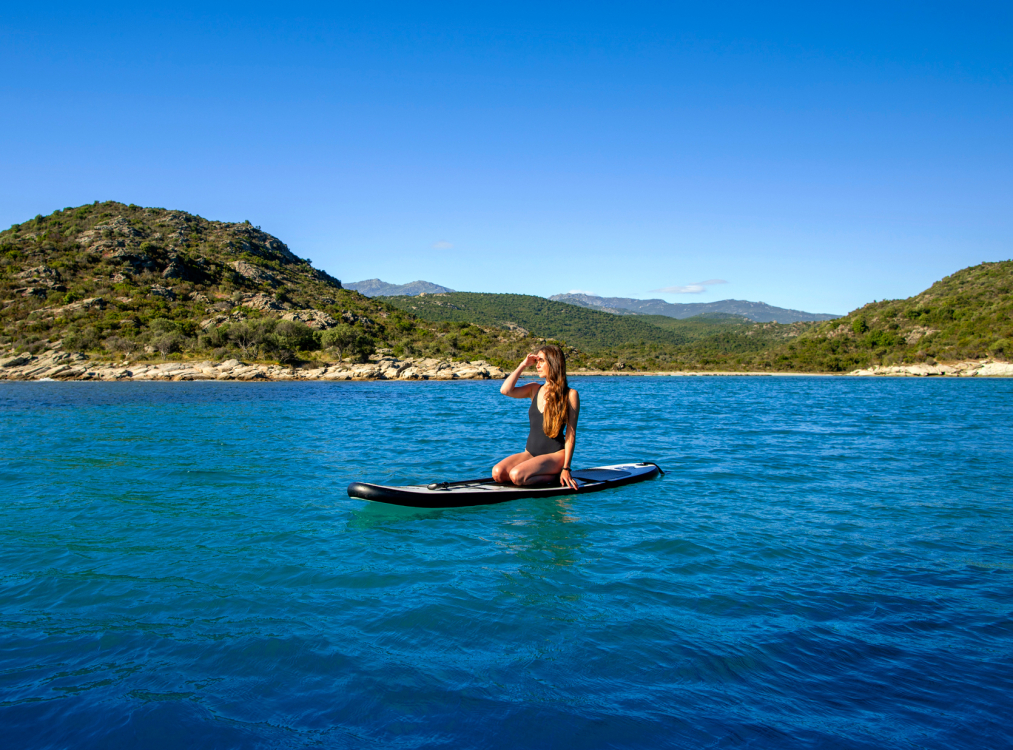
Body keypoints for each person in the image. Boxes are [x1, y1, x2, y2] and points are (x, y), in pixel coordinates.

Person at [492, 345, 581, 490]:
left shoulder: (570, 394)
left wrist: (566, 468)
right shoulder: (534, 389)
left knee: (516, 476)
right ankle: (536, 472)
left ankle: (556, 475)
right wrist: (523, 365)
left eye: (541, 361)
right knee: (498, 473)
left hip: (555, 455)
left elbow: (571, 434)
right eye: (536, 361)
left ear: (553, 363)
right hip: (531, 453)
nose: (537, 365)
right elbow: (505, 390)